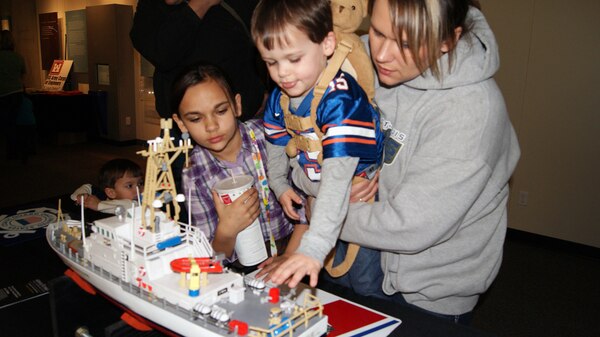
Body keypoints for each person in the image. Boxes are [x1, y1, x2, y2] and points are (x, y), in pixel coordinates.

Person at [276, 0, 520, 325]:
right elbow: (302, 142)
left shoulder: (472, 111)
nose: (382, 55)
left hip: (424, 293)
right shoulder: (355, 60)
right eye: (377, 31)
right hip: (346, 254)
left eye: (406, 43)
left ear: (448, 40)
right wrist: (321, 189)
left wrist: (320, 210)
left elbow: (411, 225)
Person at [250, 0, 384, 289]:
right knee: (331, 288)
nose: (282, 73)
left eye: (294, 59)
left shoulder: (341, 100)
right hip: (316, 198)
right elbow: (275, 143)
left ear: (326, 44)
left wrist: (314, 246)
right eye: (272, 62)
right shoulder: (279, 97)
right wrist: (279, 183)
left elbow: (337, 179)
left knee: (363, 283)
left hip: (354, 198)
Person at [170, 63, 308, 271]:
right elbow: (214, 257)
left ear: (236, 106)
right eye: (196, 118)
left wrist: (289, 256)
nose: (211, 126)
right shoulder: (193, 174)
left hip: (297, 247)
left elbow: (308, 203)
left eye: (221, 111)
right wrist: (227, 229)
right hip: (240, 267)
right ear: (181, 124)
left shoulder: (269, 137)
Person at [130, 0, 267, 122]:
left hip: (243, 116)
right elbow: (161, 54)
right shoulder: (151, 7)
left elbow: (270, 40)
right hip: (183, 125)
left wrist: (268, 92)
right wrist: (199, 6)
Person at [71, 158, 144, 214]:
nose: (138, 189)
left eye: (140, 183)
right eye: (130, 186)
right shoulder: (102, 195)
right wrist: (81, 196)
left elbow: (130, 205)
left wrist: (99, 205)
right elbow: (87, 186)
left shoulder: (137, 203)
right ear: (111, 193)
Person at [0, 30, 26, 161]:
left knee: (6, 123)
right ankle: (16, 150)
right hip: (17, 93)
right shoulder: (18, 57)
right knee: (14, 121)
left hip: (3, 93)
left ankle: (11, 151)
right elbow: (22, 74)